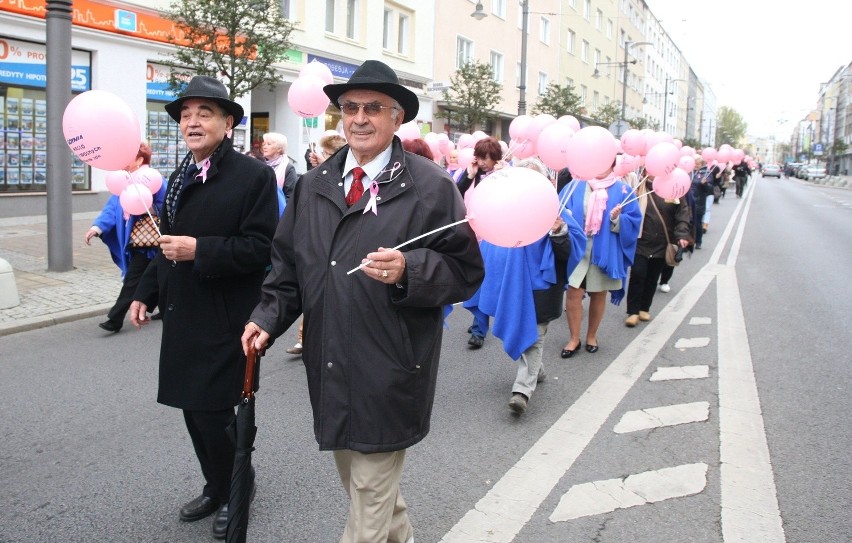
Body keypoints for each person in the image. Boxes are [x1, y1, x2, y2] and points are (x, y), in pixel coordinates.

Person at [241, 60, 483, 543]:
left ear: (398, 118)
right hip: (330, 364)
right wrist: (268, 317)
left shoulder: (430, 186)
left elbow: (464, 272)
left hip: (391, 367)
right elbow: (288, 265)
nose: (359, 118)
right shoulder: (313, 185)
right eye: (350, 107)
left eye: (374, 107)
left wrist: (410, 270)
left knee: (367, 503)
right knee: (366, 490)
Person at [128, 75, 278, 540]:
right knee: (193, 408)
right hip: (182, 313)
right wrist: (143, 292)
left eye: (204, 113)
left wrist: (202, 250)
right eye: (186, 115)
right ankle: (217, 484)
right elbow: (165, 244)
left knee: (215, 410)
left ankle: (239, 486)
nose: (192, 122)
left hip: (227, 316)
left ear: (228, 123)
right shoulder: (180, 174)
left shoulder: (253, 176)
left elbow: (262, 249)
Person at [464, 158, 578, 414]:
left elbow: (569, 255)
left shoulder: (560, 213)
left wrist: (559, 232)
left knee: (535, 338)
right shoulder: (506, 212)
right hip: (512, 289)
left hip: (542, 290)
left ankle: (521, 391)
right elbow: (489, 247)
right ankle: (536, 370)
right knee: (532, 340)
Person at [559, 166, 642, 357]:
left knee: (599, 293)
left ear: (612, 165)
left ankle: (591, 336)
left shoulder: (622, 190)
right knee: (573, 292)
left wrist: (618, 219)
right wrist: (569, 218)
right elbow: (559, 208)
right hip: (577, 246)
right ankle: (574, 338)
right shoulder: (575, 185)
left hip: (604, 248)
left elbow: (634, 219)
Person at [85, 143, 166, 332]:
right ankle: (160, 308)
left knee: (136, 280)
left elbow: (169, 208)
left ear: (139, 160)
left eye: (127, 157)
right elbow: (112, 209)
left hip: (155, 240)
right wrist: (97, 227)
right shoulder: (123, 181)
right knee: (148, 276)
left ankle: (115, 319)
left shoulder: (153, 179)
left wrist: (152, 207)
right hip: (139, 241)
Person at [286, 130, 348, 357]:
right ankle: (306, 339)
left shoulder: (344, 177)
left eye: (326, 152)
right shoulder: (312, 179)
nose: (320, 155)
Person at [624, 176, 692, 327]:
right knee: (638, 274)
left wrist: (681, 235)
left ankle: (644, 308)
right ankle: (633, 311)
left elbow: (683, 214)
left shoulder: (675, 188)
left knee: (653, 276)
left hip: (663, 240)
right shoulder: (640, 187)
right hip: (641, 240)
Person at [458, 137, 503, 349]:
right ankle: (478, 317)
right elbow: (456, 194)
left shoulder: (504, 175)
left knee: (484, 281)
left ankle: (479, 328)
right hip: (471, 234)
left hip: (493, 238)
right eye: (481, 157)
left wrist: (504, 175)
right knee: (471, 279)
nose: (484, 162)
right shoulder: (471, 175)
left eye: (488, 158)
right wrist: (469, 176)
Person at [262, 132, 299, 204]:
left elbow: (290, 196)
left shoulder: (288, 169)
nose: (264, 147)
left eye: (268, 144)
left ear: (279, 149)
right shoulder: (261, 165)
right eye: (264, 144)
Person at [690, 157, 713, 250]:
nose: (696, 165)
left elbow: (709, 189)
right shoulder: (689, 172)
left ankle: (698, 241)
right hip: (689, 201)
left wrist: (705, 184)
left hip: (699, 202)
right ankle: (690, 241)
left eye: (697, 164)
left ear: (701, 164)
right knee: (688, 222)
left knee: (697, 223)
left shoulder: (706, 173)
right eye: (694, 163)